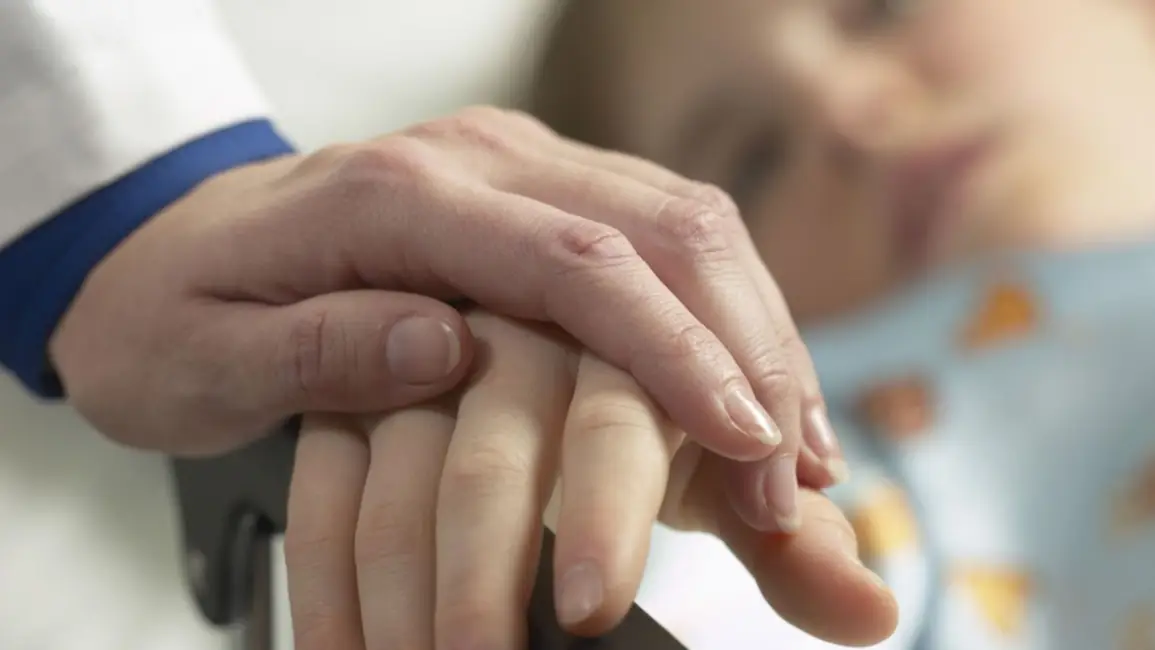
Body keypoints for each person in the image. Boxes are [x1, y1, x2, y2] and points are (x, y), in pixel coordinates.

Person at [282, 0, 1155, 648]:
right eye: (753, 162)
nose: (849, 112)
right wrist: (578, 480)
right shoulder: (856, 465)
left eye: (881, 7)